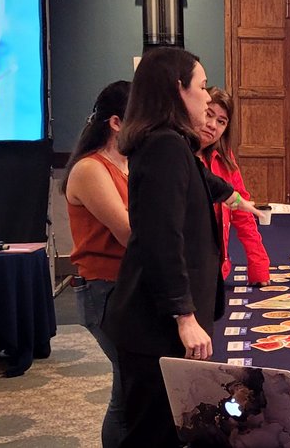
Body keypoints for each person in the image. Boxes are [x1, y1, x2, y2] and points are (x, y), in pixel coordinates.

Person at [104, 47, 261, 446]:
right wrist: (184, 316)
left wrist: (236, 198)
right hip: (157, 326)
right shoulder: (163, 145)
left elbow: (198, 181)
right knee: (155, 432)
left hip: (156, 323)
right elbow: (160, 238)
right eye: (202, 86)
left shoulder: (169, 143)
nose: (208, 98)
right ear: (178, 90)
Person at [61, 79, 131, 448]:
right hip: (105, 288)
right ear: (116, 122)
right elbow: (128, 232)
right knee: (127, 390)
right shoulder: (90, 169)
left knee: (136, 385)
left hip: (127, 285)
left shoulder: (126, 163)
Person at [198, 88, 270, 285]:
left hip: (216, 274)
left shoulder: (225, 158)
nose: (212, 125)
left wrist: (258, 265)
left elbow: (243, 214)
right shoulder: (177, 153)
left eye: (221, 122)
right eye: (208, 115)